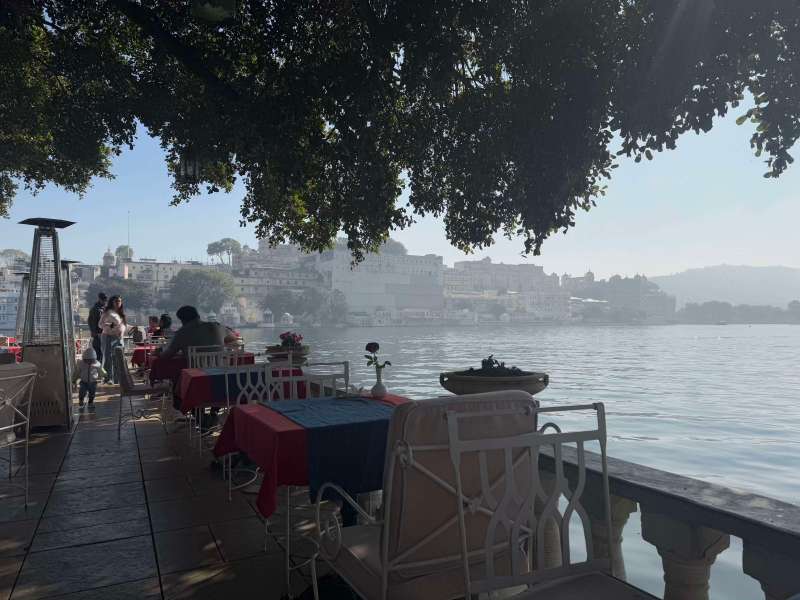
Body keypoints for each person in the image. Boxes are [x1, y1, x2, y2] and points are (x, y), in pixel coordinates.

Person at [159, 306, 225, 360]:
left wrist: (159, 353)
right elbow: (233, 341)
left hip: (196, 373)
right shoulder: (216, 326)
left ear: (182, 320)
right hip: (222, 372)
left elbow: (167, 355)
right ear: (198, 316)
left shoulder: (182, 333)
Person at [99, 295, 127, 384]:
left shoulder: (121, 313)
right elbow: (100, 324)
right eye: (116, 301)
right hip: (108, 337)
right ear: (112, 302)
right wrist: (110, 325)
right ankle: (108, 378)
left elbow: (123, 325)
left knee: (118, 358)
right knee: (108, 358)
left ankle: (117, 379)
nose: (118, 303)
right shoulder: (107, 312)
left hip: (119, 338)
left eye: (119, 301)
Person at [87, 292, 107, 364]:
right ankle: (99, 372)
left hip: (104, 335)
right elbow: (91, 323)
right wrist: (96, 333)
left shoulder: (105, 309)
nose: (104, 301)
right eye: (103, 300)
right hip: (98, 336)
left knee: (104, 355)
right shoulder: (95, 310)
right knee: (98, 355)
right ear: (99, 299)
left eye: (105, 300)